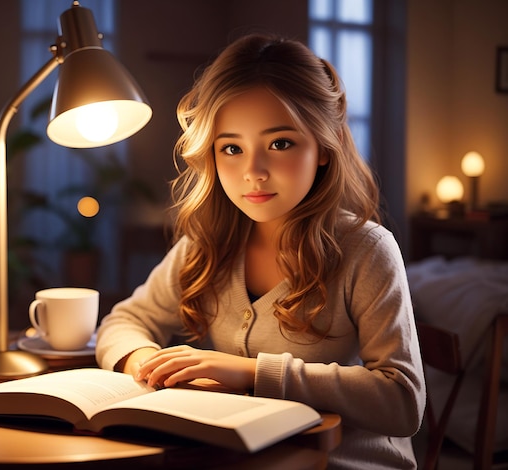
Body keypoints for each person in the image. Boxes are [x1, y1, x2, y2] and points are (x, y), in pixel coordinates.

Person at [96, 33, 425, 469]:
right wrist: (148, 362)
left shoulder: (366, 250)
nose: (253, 172)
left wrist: (250, 373)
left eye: (280, 143)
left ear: (323, 147)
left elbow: (402, 402)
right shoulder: (209, 244)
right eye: (231, 148)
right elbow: (125, 320)